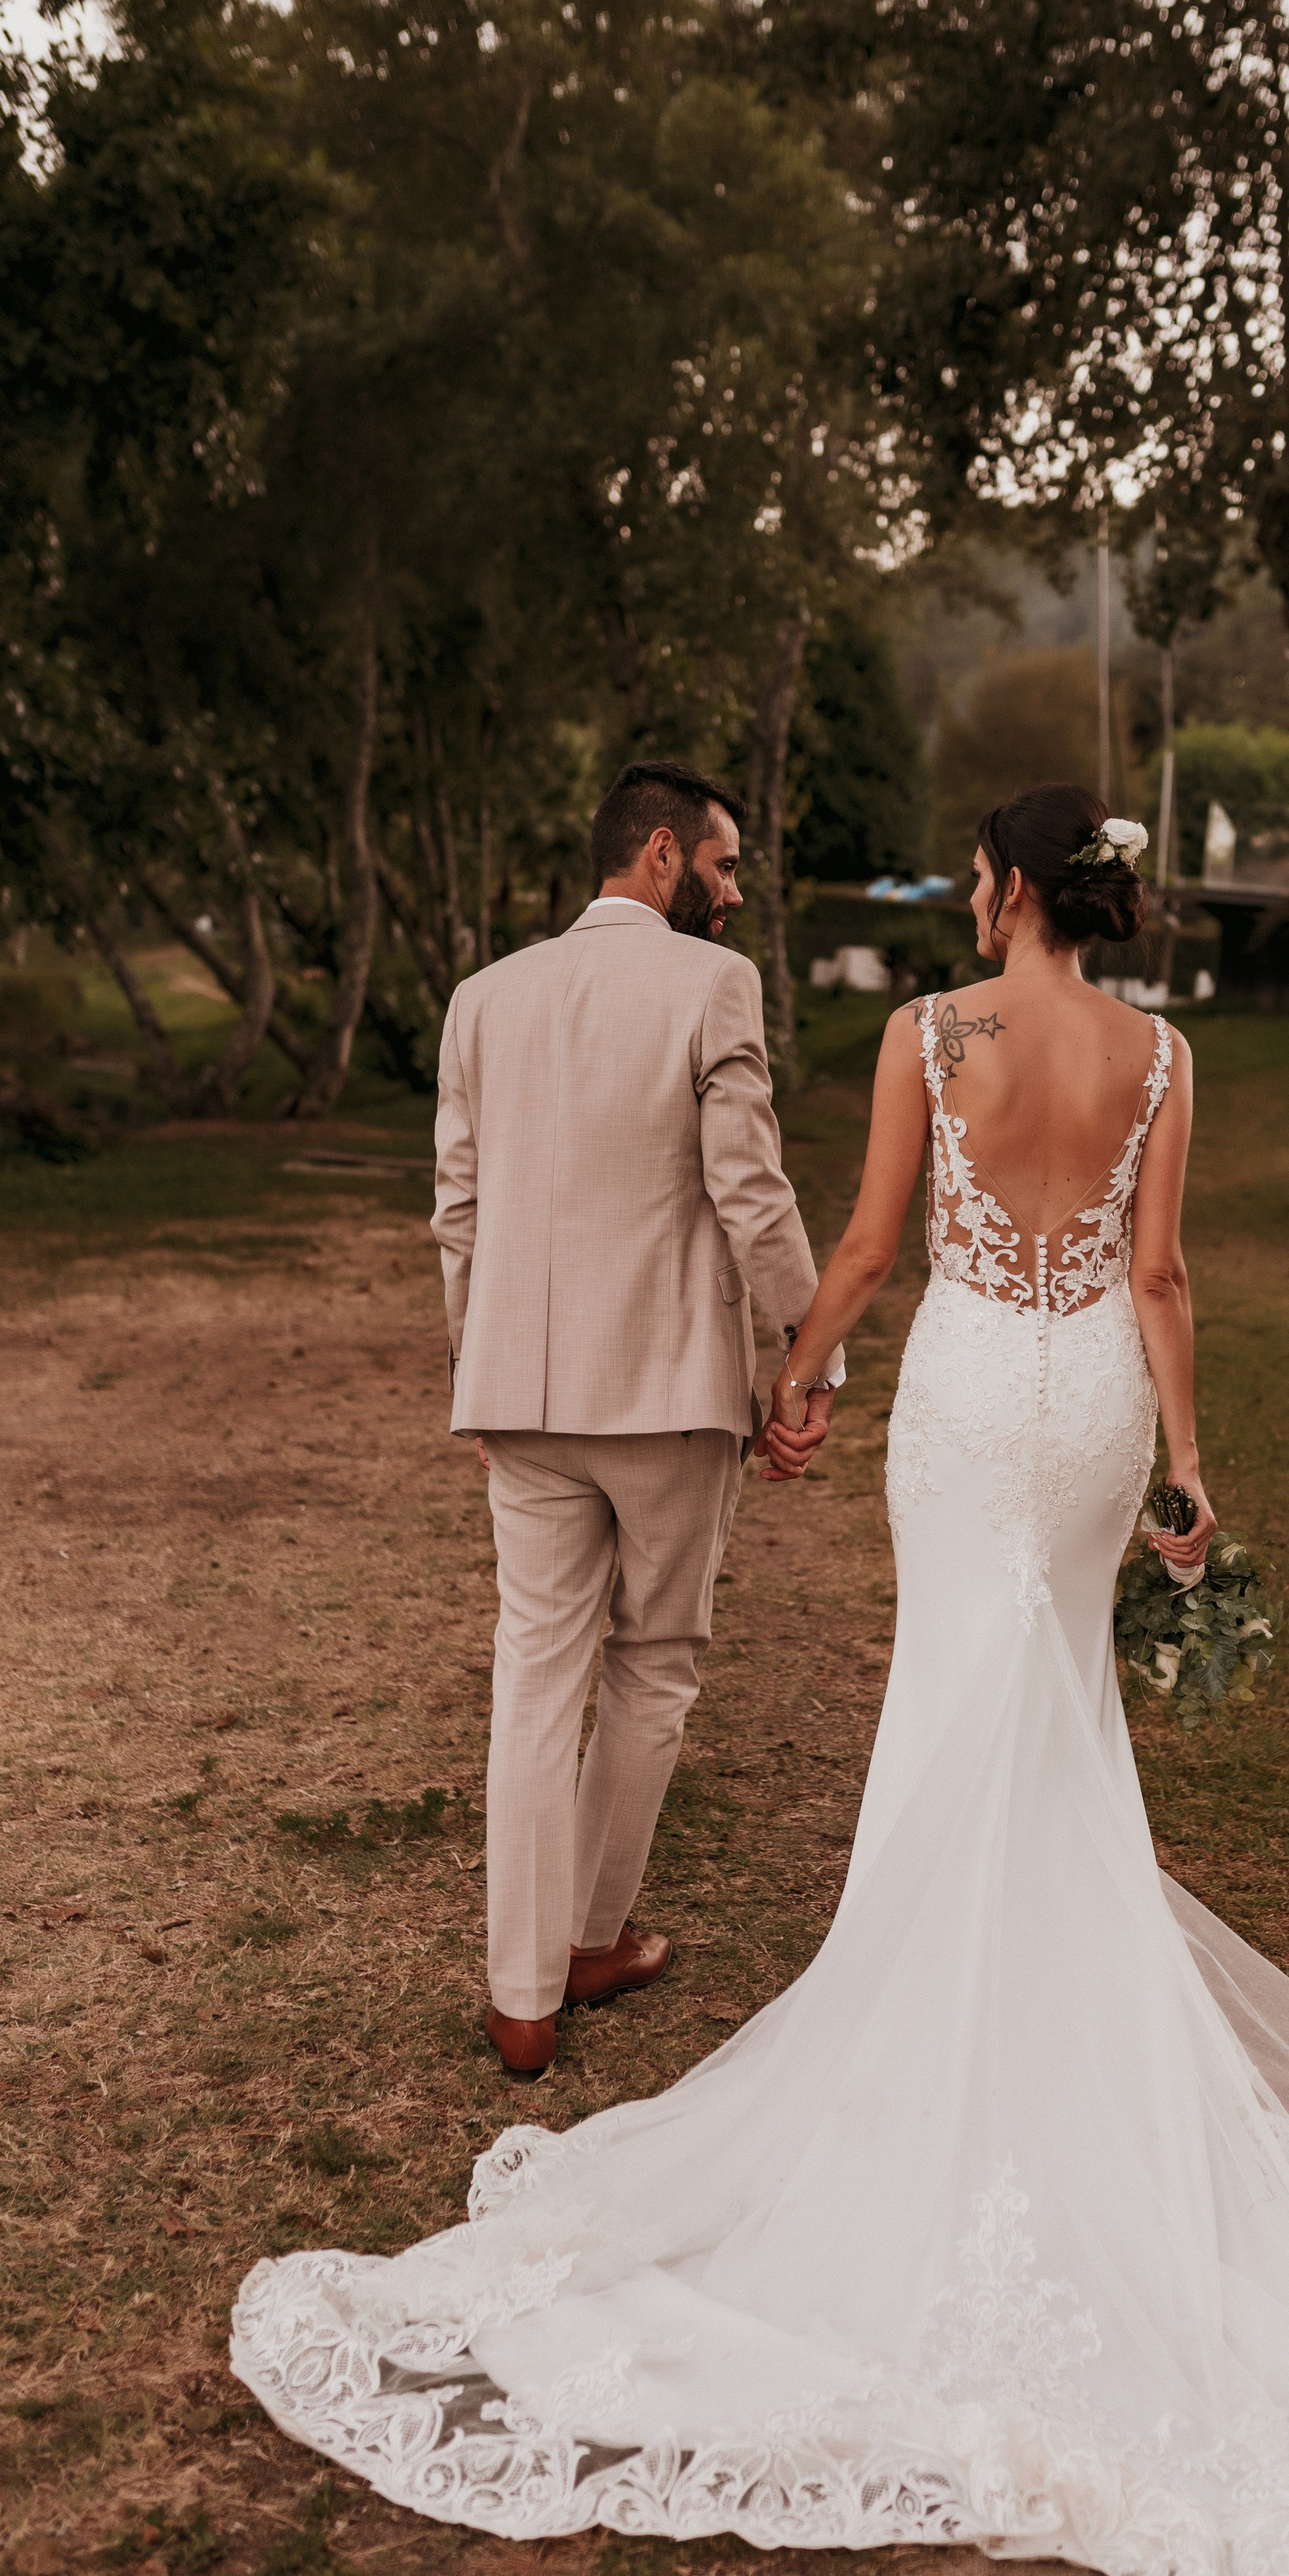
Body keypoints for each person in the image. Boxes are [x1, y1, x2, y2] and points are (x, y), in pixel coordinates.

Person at [235, 784, 1289, 2576]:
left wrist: (795, 1384)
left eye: (976, 875)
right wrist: (1186, 1472)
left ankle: (917, 2045)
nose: (967, 901)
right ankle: (1055, 2031)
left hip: (970, 1402)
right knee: (1048, 1708)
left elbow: (874, 1245)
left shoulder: (929, 1033)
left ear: (1007, 884)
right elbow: (1159, 1273)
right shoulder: (1162, 1053)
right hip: (1091, 1416)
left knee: (955, 1701)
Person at [428, 759, 838, 2081]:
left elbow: (458, 1215)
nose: (730, 895)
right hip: (667, 1395)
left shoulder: (482, 999)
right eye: (721, 867)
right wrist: (810, 1353)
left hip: (524, 1396)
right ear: (660, 856)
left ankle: (520, 1998)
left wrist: (475, 1368)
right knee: (652, 1663)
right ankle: (591, 1940)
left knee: (534, 1671)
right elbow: (749, 1187)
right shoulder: (714, 984)